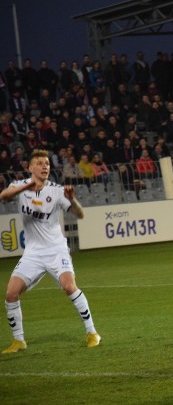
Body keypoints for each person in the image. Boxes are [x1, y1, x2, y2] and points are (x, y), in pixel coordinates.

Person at [0, 149, 100, 353]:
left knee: (69, 286)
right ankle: (19, 340)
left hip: (56, 250)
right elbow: (4, 196)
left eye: (47, 163)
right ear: (30, 167)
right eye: (40, 163)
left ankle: (92, 332)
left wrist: (71, 199)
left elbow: (80, 214)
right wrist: (29, 185)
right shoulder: (20, 187)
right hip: (33, 253)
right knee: (11, 293)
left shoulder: (56, 191)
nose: (45, 166)